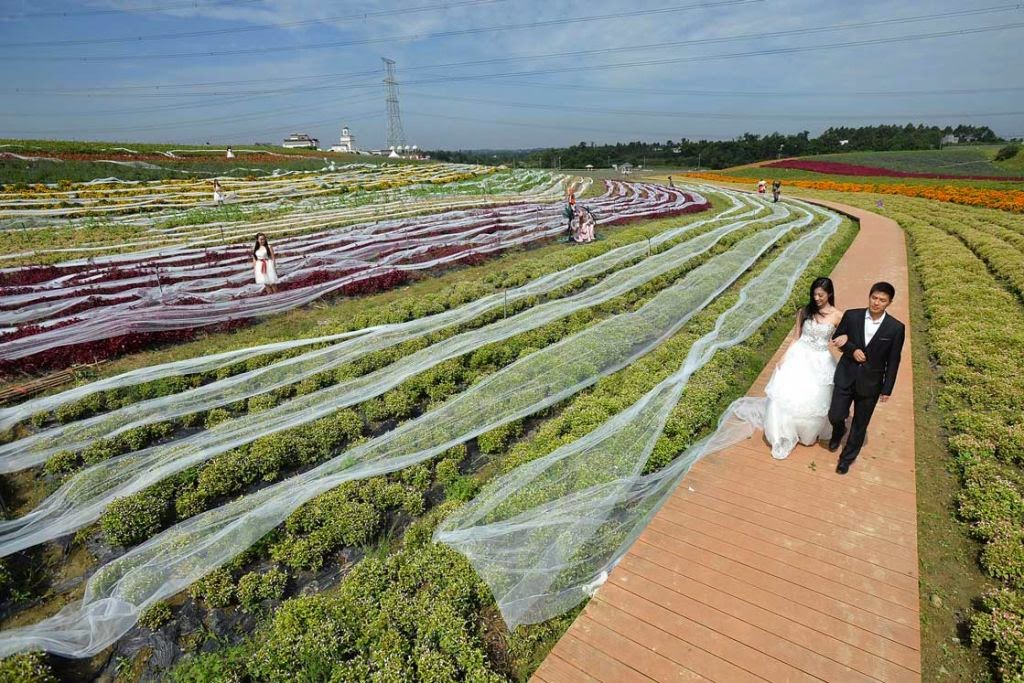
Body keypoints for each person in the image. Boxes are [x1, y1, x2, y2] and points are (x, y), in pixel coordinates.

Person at [762, 277, 846, 459]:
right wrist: (783, 356)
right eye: (814, 294)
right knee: (792, 393)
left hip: (822, 360)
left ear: (829, 294)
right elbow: (796, 337)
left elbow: (845, 337)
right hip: (799, 355)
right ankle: (785, 430)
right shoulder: (804, 311)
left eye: (821, 295)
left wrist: (844, 340)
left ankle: (806, 431)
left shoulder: (838, 316)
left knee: (815, 395)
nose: (816, 298)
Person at [828, 282, 905, 474]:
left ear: (889, 302)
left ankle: (846, 458)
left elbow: (894, 360)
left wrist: (887, 388)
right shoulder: (852, 315)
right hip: (846, 374)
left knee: (860, 424)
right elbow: (838, 336)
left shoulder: (895, 328)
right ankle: (838, 431)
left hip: (871, 382)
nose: (877, 303)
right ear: (869, 296)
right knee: (835, 414)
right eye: (874, 298)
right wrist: (852, 349)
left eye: (882, 300)